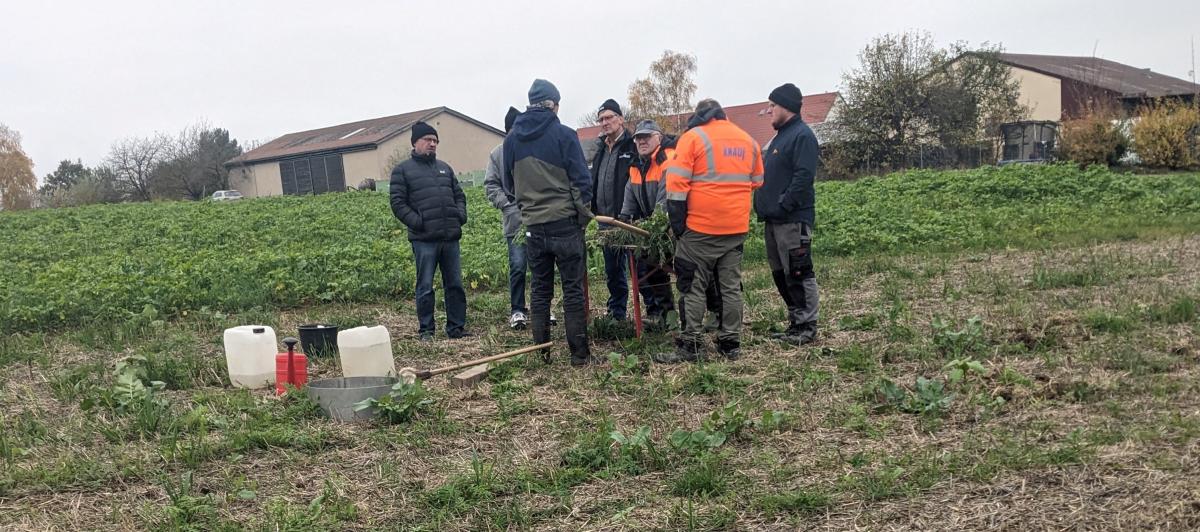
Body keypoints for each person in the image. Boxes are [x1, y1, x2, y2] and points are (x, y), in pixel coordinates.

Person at [658, 99, 764, 363]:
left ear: (699, 115)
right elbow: (756, 182)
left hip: (700, 227)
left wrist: (679, 226)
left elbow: (675, 186)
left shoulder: (693, 138)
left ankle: (691, 345)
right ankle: (730, 343)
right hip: (736, 227)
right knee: (730, 287)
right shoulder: (748, 140)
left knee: (692, 285)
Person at [502, 79, 595, 365]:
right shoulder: (564, 135)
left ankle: (541, 353)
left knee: (540, 290)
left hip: (533, 228)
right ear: (553, 104)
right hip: (565, 224)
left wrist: (529, 209)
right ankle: (579, 355)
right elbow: (582, 184)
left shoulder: (512, 140)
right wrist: (581, 219)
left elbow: (508, 186)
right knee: (572, 290)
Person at [389, 121, 468, 341]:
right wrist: (418, 222)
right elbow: (397, 203)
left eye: (435, 140)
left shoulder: (445, 168)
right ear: (415, 142)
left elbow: (459, 195)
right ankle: (426, 330)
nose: (432, 144)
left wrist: (459, 216)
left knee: (455, 284)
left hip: (450, 236)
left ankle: (456, 328)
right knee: (425, 286)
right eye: (428, 140)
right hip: (424, 240)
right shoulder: (402, 170)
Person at [754, 83, 821, 345]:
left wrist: (784, 203)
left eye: (773, 105)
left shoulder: (802, 136)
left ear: (787, 106)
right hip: (774, 220)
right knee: (780, 273)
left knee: (798, 270)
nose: (769, 110)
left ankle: (807, 325)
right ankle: (795, 320)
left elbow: (804, 176)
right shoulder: (781, 137)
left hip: (792, 219)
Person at [619, 119, 675, 329]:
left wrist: (655, 225)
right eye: (638, 138)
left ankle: (708, 315)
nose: (641, 141)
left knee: (689, 273)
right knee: (648, 268)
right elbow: (629, 197)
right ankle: (666, 316)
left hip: (673, 227)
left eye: (646, 137)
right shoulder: (635, 165)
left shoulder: (666, 160)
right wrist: (623, 219)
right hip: (651, 228)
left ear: (658, 138)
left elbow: (665, 202)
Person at [589, 99, 637, 320]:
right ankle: (617, 312)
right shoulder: (601, 149)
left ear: (620, 119)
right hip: (605, 219)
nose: (604, 122)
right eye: (601, 119)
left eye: (609, 117)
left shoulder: (631, 146)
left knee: (640, 268)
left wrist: (630, 212)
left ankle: (655, 311)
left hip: (629, 219)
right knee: (613, 270)